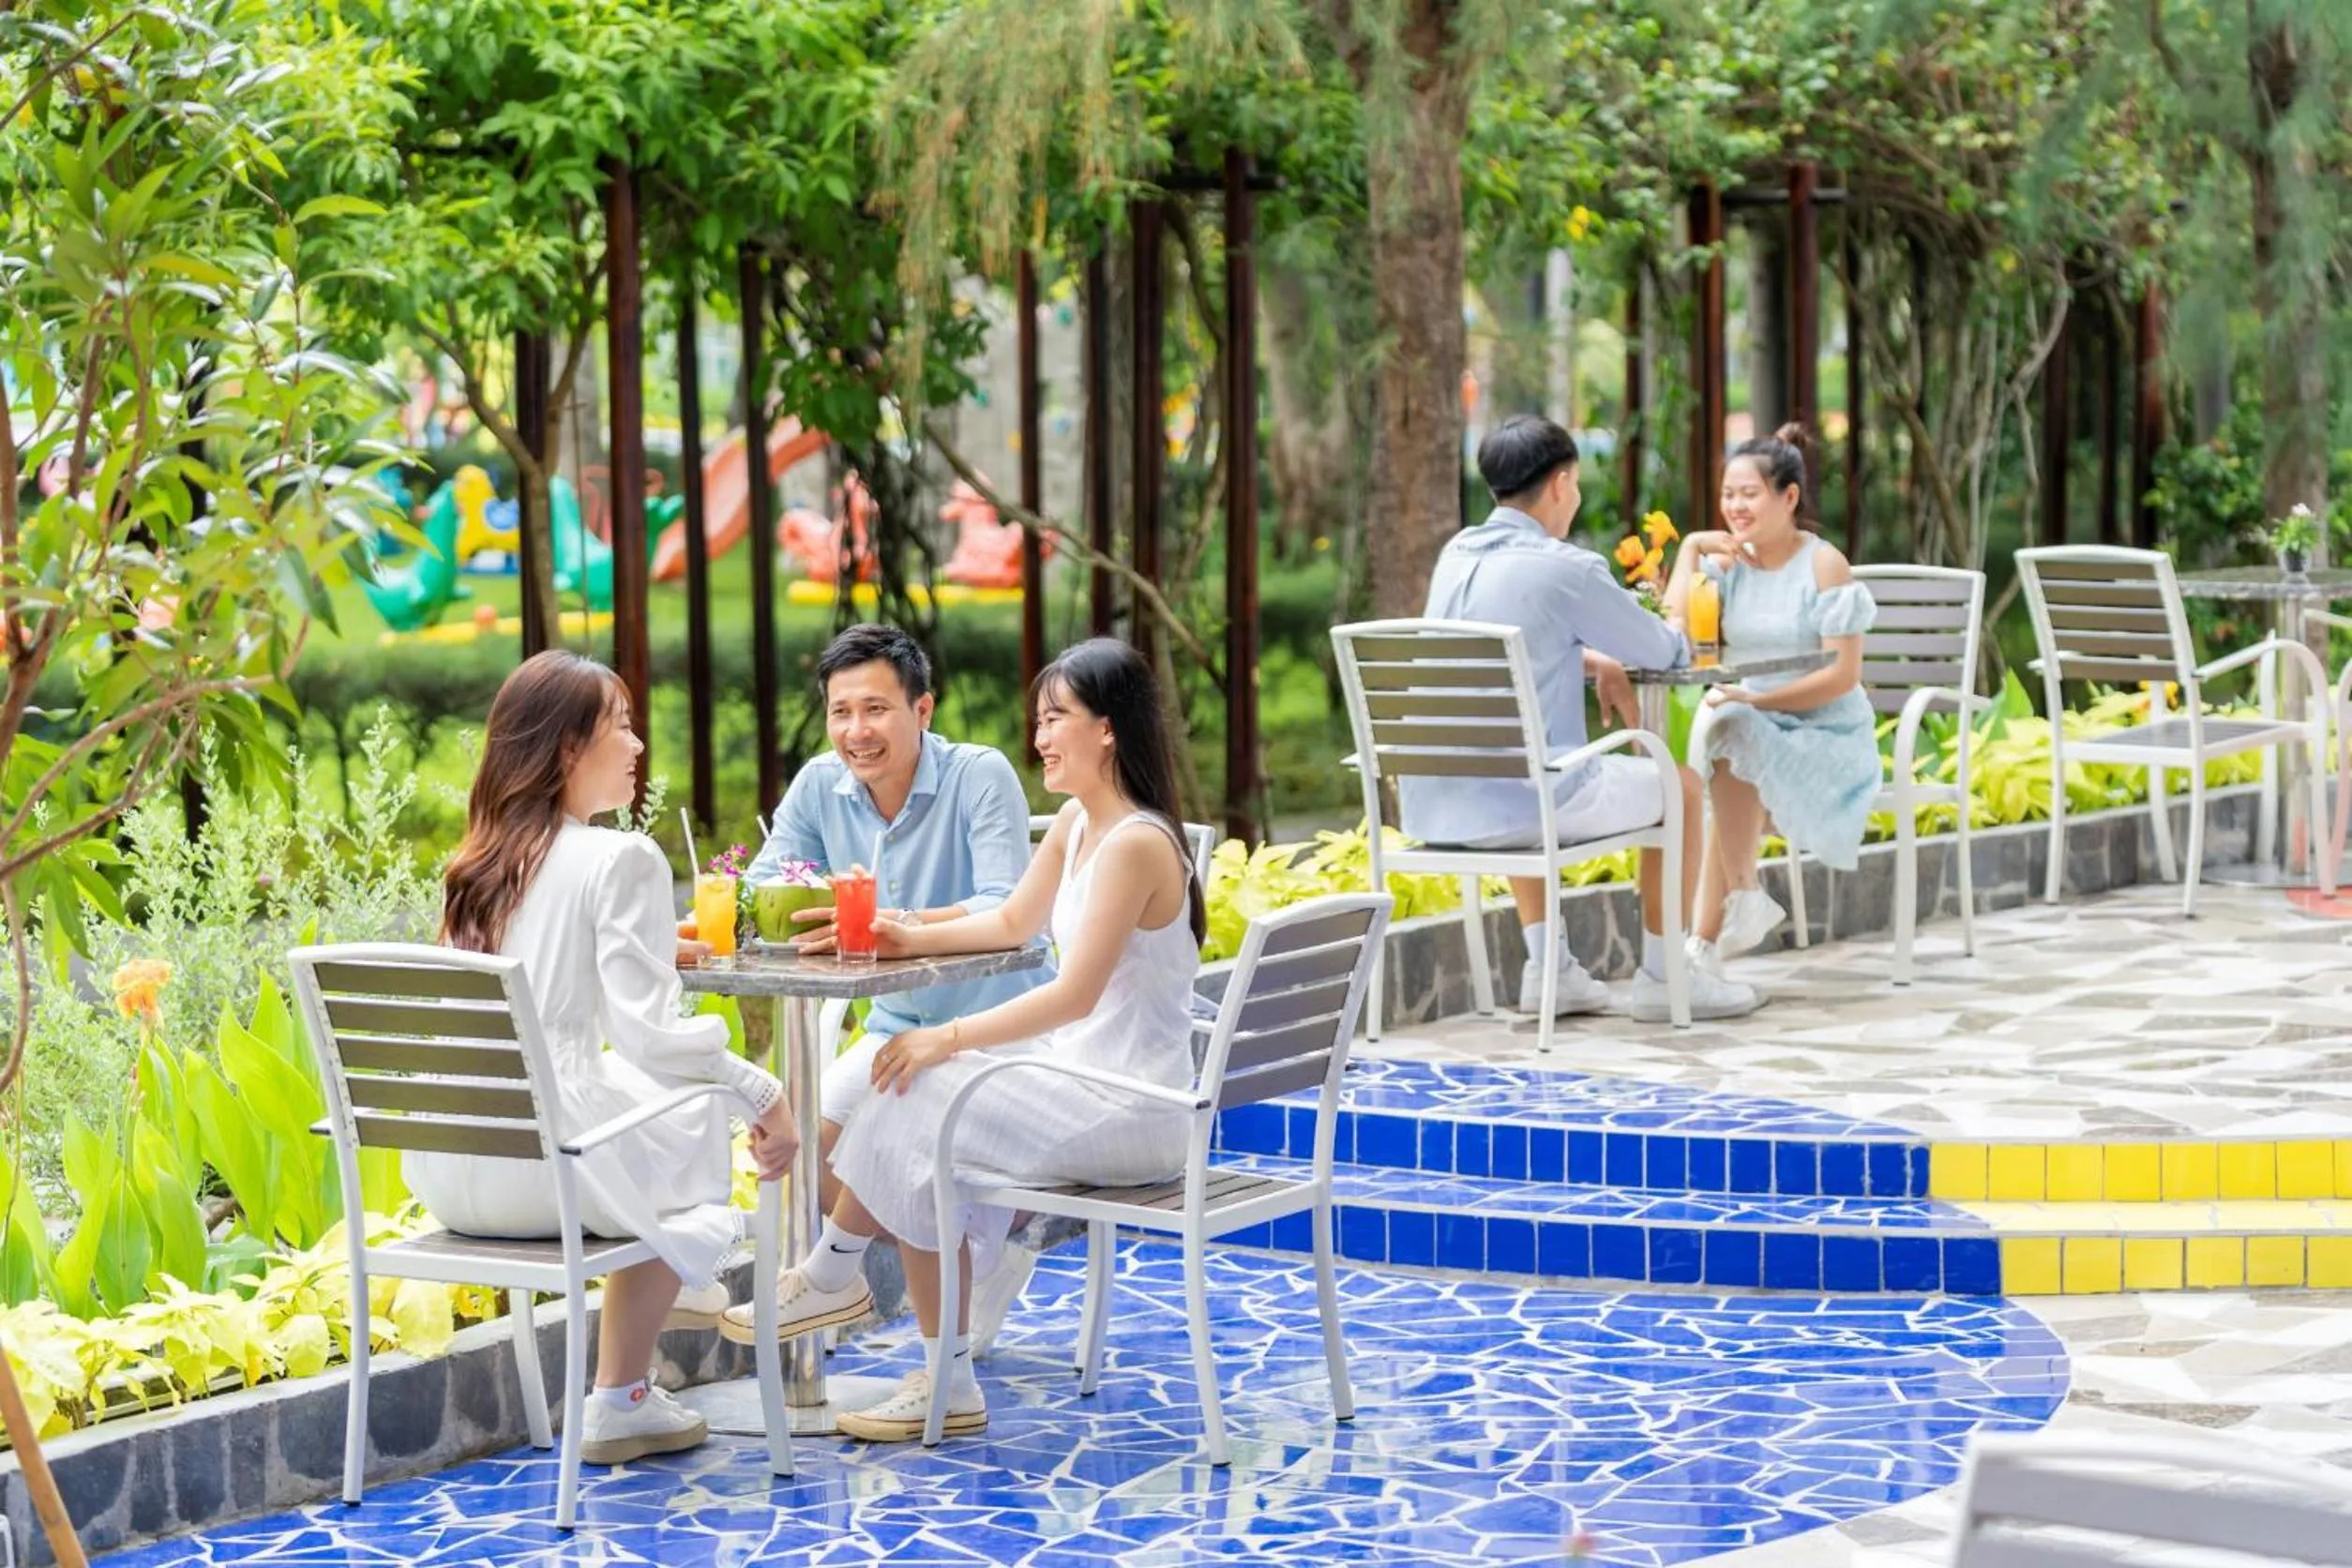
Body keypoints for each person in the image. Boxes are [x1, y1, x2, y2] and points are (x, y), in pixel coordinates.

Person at [761, 638, 1204, 1442]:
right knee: (911, 1090)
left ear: (1108, 730)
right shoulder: (1078, 824)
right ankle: (939, 1362)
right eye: (1039, 718)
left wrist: (947, 1038)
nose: (1039, 736)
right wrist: (905, 930)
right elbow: (1008, 921)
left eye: (1056, 719)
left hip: (1133, 1110)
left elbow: (1070, 997)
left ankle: (852, 1290)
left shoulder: (1136, 842)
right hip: (1081, 1085)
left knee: (922, 1083)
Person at [419, 650, 798, 1466]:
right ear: (565, 750)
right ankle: (626, 1388)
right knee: (693, 1116)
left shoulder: (474, 869)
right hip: (551, 1171)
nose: (636, 747)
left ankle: (681, 1284)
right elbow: (650, 1037)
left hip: (454, 1166)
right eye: (620, 727)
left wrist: (657, 947)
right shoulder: (621, 859)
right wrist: (760, 1092)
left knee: (649, 1123)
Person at [717, 624, 1049, 1350]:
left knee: (902, 1152)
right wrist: (794, 902)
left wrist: (893, 922)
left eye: (875, 709)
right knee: (814, 1154)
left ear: (922, 711)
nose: (855, 731)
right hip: (894, 1028)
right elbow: (770, 882)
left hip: (1000, 1024)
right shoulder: (818, 785)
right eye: (841, 712)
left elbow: (1007, 907)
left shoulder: (979, 775)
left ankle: (882, 1279)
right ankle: (963, 1260)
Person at [1400, 415, 1762, 1023]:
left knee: (1520, 763)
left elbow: (1505, 653)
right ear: (1563, 484)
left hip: (1436, 803)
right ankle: (1665, 976)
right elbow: (1666, 652)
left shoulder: (1455, 557)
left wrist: (1587, 659)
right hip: (1526, 805)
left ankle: (1551, 971)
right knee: (1682, 785)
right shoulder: (1566, 567)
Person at [1663, 424, 1878, 962]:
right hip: (1755, 730)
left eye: (1749, 493)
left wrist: (1755, 702)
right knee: (1730, 740)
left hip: (1826, 735)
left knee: (1730, 733)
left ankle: (1714, 930)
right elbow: (1673, 634)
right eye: (1728, 494)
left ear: (1789, 497)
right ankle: (1723, 922)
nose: (1735, 506)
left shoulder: (1823, 563)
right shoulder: (1729, 567)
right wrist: (1690, 549)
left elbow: (1843, 676)